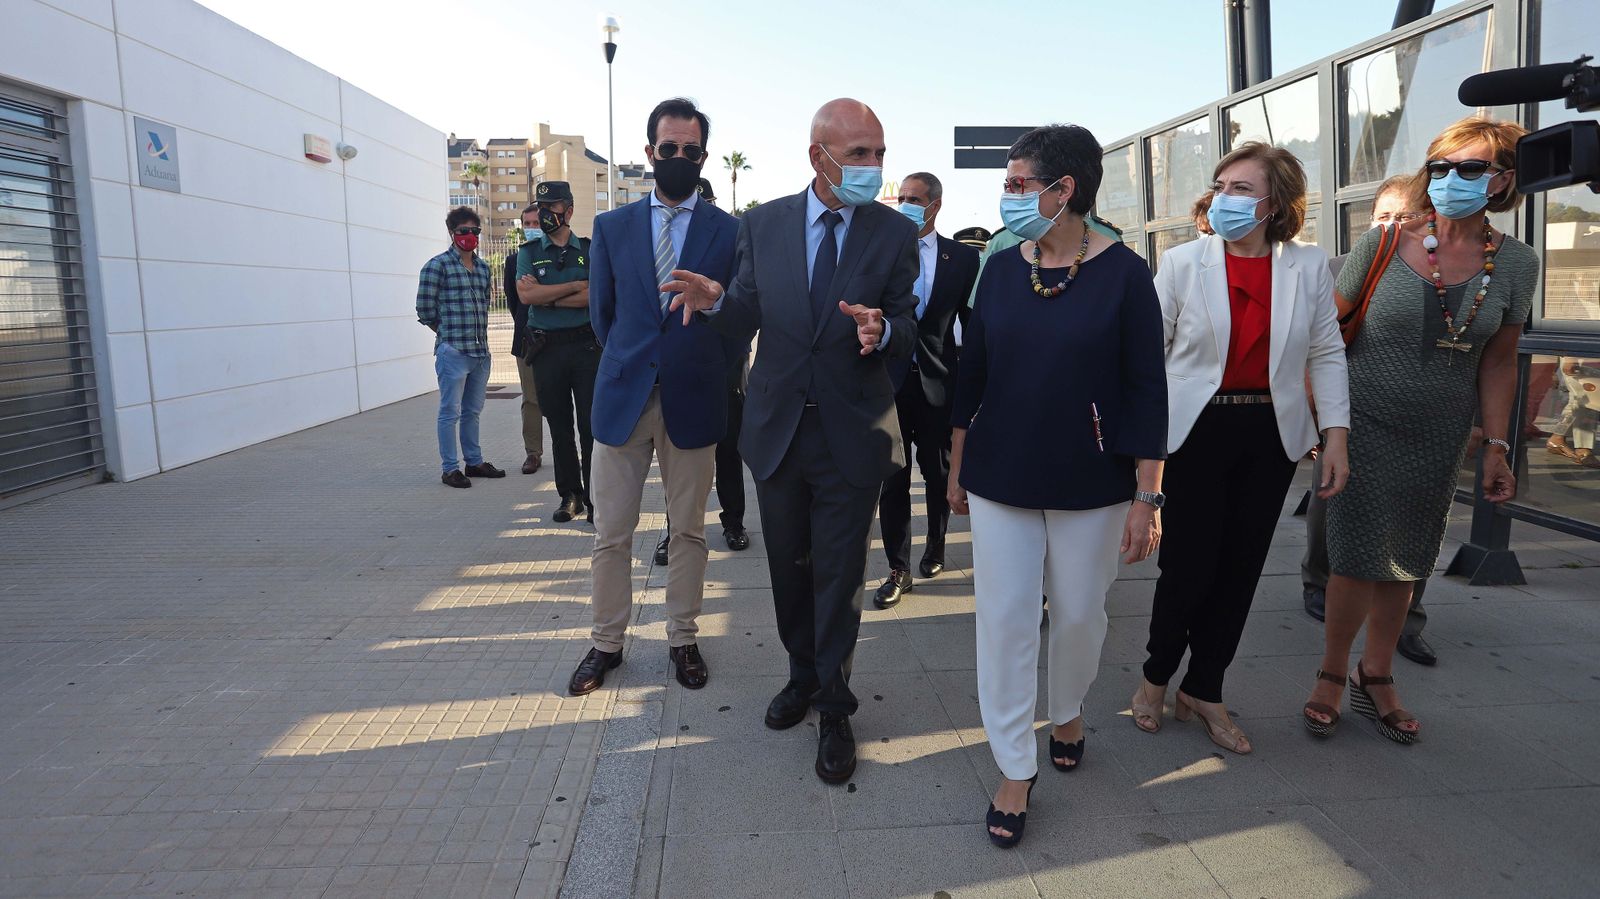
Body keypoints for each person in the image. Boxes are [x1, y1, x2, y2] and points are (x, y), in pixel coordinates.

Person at [665, 98, 919, 785]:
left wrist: (883, 332)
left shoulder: (894, 233)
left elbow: (908, 323)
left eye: (879, 152)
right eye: (859, 153)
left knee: (839, 575)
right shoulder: (764, 223)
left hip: (853, 431)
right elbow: (747, 310)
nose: (873, 166)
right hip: (777, 430)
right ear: (819, 156)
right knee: (789, 569)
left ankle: (836, 706)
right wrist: (717, 301)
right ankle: (801, 675)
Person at [949, 124, 1167, 849]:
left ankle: (1067, 705)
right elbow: (969, 374)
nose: (1009, 197)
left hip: (1093, 478)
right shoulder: (1002, 267)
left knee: (1079, 613)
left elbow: (1146, 389)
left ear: (1062, 190)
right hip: (999, 473)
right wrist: (955, 464)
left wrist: (1148, 495)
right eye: (1008, 184)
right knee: (1005, 620)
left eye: (1018, 184)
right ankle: (1016, 765)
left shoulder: (1126, 275)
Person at [1302, 116, 1536, 746]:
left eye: (1468, 169)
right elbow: (1326, 336)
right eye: (1439, 168)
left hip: (1438, 434)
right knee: (1352, 555)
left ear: (1503, 180)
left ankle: (1375, 673)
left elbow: (1497, 361)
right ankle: (1329, 672)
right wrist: (1328, 428)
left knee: (1408, 558)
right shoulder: (1384, 243)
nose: (1448, 180)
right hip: (1363, 423)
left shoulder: (1516, 263)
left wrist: (1495, 444)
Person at [1131, 141, 1350, 756]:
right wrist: (1142, 453)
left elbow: (1326, 353)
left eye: (1242, 189)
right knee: (1189, 565)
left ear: (1274, 203)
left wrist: (1336, 435)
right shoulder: (1181, 264)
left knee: (1241, 568)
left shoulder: (1306, 267)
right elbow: (1150, 362)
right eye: (1221, 186)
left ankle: (1205, 688)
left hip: (1270, 435)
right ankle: (1155, 677)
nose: (1225, 198)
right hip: (1197, 431)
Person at [568, 99, 740, 697]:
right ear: (649, 153)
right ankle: (606, 643)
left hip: (693, 399)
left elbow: (737, 317)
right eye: (669, 150)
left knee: (689, 530)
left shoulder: (729, 230)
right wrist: (635, 362)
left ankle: (682, 638)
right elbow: (603, 315)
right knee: (610, 531)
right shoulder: (613, 228)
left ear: (702, 157)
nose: (679, 159)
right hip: (624, 397)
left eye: (691, 152)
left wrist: (714, 301)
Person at [1302, 175, 1436, 668]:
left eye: (1402, 216)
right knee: (1330, 504)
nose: (1390, 226)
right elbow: (1315, 343)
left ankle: (1407, 618)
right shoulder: (1340, 268)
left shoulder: (1442, 272)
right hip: (1348, 411)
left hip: (1420, 418)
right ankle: (1317, 582)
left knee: (1415, 521)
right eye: (1382, 216)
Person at [873, 172, 979, 608]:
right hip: (889, 384)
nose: (906, 205)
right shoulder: (882, 254)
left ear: (934, 205)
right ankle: (898, 568)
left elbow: (973, 328)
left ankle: (936, 545)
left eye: (914, 199)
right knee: (892, 480)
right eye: (902, 198)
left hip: (940, 385)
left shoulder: (963, 259)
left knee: (938, 475)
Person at [653, 178, 753, 568]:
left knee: (728, 451)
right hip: (677, 367)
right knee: (675, 459)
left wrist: (733, 359)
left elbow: (744, 304)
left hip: (723, 364)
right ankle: (672, 530)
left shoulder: (730, 236)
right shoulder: (668, 243)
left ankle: (734, 523)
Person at [516, 181, 598, 523]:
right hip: (547, 349)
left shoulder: (590, 249)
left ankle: (596, 500)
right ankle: (570, 496)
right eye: (542, 206)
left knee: (591, 428)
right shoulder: (529, 252)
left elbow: (595, 296)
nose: (546, 212)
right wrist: (574, 287)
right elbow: (526, 297)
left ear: (570, 210)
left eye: (554, 206)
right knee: (559, 428)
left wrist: (547, 293)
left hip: (585, 347)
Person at [416, 206, 506, 488]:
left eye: (474, 231)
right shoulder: (436, 266)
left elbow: (485, 304)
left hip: (481, 354)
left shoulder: (483, 268)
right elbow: (425, 310)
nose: (469, 236)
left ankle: (474, 462)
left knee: (472, 412)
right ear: (452, 233)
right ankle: (450, 469)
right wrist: (448, 336)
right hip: (453, 352)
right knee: (449, 411)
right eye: (463, 231)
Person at [506, 205, 544, 475]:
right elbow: (513, 300)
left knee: (565, 399)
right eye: (527, 223)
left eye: (536, 222)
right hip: (526, 339)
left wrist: (539, 290)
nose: (532, 227)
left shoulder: (562, 256)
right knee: (531, 399)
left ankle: (571, 450)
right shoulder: (513, 261)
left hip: (559, 338)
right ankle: (533, 453)